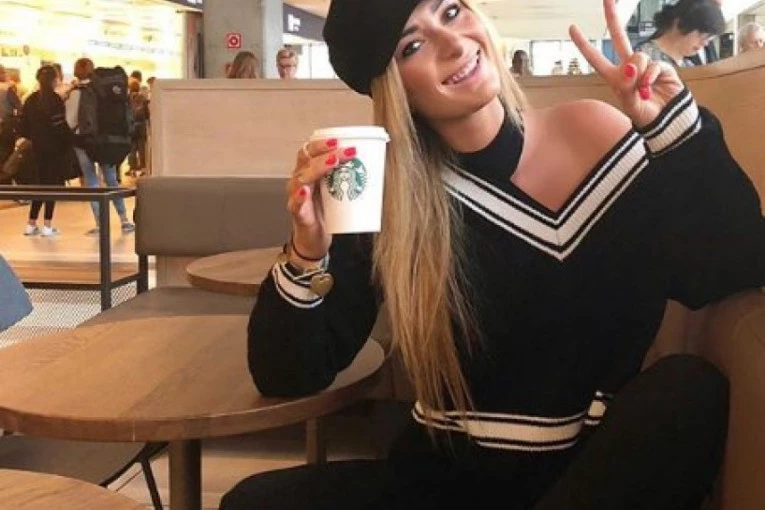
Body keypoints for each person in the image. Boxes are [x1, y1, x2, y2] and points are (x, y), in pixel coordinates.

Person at [221, 0, 765, 508]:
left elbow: (725, 271)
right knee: (251, 501)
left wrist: (678, 133)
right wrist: (307, 252)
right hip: (442, 482)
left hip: (589, 479)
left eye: (451, 11)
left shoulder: (598, 136)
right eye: (412, 45)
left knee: (688, 392)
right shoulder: (394, 203)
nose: (453, 44)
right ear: (395, 88)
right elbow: (288, 375)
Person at [65, 58, 135, 235]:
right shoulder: (105, 89)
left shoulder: (77, 92)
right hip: (106, 140)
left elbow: (70, 121)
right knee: (111, 180)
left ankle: (100, 223)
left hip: (83, 142)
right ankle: (124, 220)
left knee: (92, 181)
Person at [17, 65, 73, 237]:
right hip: (54, 149)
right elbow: (61, 126)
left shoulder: (31, 100)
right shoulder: (55, 100)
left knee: (39, 185)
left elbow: (23, 126)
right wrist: (69, 141)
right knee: (51, 186)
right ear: (54, 80)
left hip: (36, 148)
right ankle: (47, 224)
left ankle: (31, 223)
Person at [635, 0, 725, 68]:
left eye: (708, 38)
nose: (704, 43)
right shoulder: (643, 57)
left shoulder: (689, 66)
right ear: (680, 22)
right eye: (701, 34)